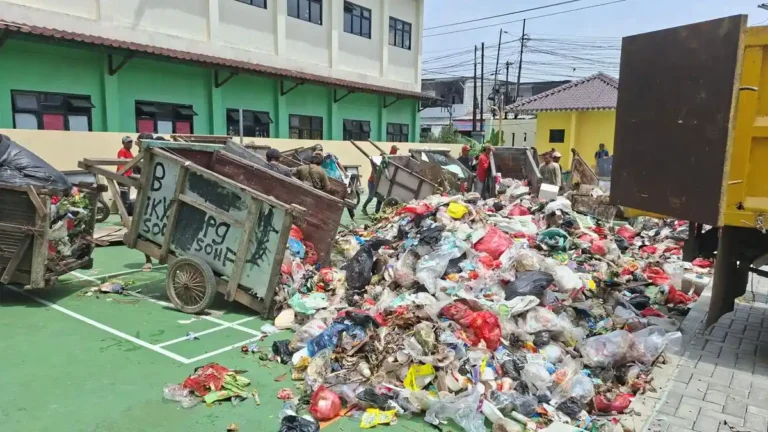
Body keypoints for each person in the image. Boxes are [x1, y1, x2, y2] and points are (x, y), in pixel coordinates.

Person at [362, 145, 399, 216]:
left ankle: (377, 211)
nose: (396, 151)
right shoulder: (376, 165)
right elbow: (375, 172)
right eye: (395, 150)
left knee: (380, 197)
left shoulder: (390, 158)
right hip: (372, 182)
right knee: (371, 197)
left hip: (380, 183)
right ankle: (363, 208)